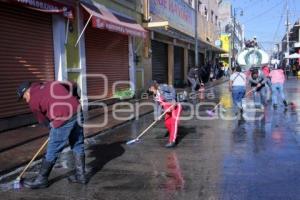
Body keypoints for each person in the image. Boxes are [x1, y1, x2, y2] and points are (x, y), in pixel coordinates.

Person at [16, 81, 87, 189]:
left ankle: (41, 180)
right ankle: (81, 176)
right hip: (77, 111)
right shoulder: (50, 83)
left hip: (62, 117)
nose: (25, 101)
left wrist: (53, 128)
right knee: (78, 144)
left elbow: (43, 121)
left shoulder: (33, 102)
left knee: (52, 150)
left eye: (24, 98)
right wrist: (75, 97)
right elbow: (73, 85)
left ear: (26, 92)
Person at [149, 81, 182, 148]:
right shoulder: (155, 96)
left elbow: (172, 89)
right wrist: (157, 116)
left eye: (151, 89)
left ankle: (172, 141)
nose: (150, 91)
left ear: (153, 87)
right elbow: (157, 106)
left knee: (174, 123)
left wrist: (173, 100)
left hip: (175, 106)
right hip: (167, 109)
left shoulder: (162, 87)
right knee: (167, 123)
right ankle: (174, 135)